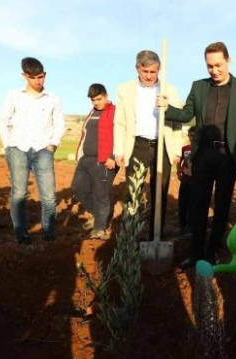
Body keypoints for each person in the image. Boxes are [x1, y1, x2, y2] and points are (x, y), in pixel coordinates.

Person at [162, 41, 236, 267]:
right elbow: (186, 114)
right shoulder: (199, 87)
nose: (214, 70)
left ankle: (212, 250)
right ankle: (195, 253)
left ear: (228, 61)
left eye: (218, 65)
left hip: (228, 155)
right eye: (209, 66)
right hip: (203, 154)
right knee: (198, 204)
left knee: (222, 204)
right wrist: (166, 108)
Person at [113, 50, 182, 240]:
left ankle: (155, 236)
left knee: (160, 192)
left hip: (163, 146)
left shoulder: (170, 90)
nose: (150, 76)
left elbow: (176, 123)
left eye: (153, 71)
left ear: (158, 69)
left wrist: (176, 150)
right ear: (137, 69)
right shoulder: (125, 89)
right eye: (145, 72)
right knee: (133, 192)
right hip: (137, 144)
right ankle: (130, 237)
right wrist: (118, 149)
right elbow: (120, 122)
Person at [0, 57, 65, 244]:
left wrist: (54, 144)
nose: (38, 81)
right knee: (19, 194)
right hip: (18, 148)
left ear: (45, 75)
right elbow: (4, 120)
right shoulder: (13, 95)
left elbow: (59, 123)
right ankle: (21, 234)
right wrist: (7, 144)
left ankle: (49, 232)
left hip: (43, 149)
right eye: (33, 77)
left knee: (49, 196)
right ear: (24, 76)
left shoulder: (53, 99)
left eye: (41, 77)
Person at [71, 83, 118, 240]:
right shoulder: (92, 112)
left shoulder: (114, 112)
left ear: (106, 96)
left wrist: (113, 155)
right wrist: (79, 153)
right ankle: (97, 215)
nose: (96, 102)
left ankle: (99, 228)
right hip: (86, 159)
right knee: (78, 188)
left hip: (104, 160)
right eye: (93, 100)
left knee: (100, 194)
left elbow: (120, 135)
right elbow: (85, 135)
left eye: (99, 99)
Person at [176, 126, 196, 237]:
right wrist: (179, 171)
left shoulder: (200, 149)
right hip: (185, 180)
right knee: (182, 204)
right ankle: (182, 226)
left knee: (193, 205)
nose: (192, 138)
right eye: (191, 135)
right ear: (188, 136)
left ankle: (191, 226)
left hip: (196, 182)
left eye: (195, 135)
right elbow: (179, 161)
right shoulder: (185, 148)